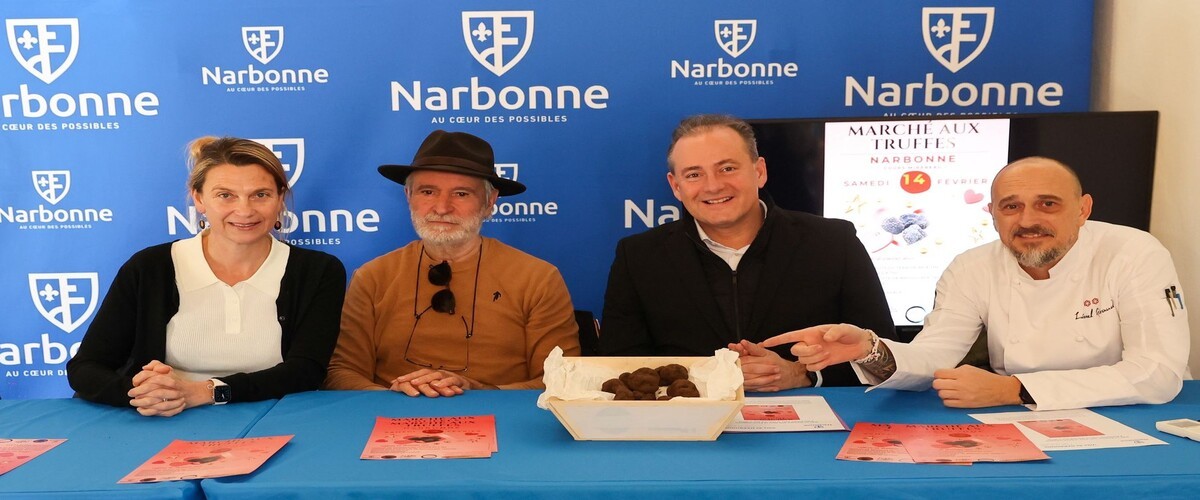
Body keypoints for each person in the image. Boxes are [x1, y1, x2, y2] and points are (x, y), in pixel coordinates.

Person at [765, 156, 1191, 410]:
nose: (1028, 220)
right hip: (1024, 420)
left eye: (1048, 204)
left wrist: (1014, 389)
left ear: (1082, 209)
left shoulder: (1135, 253)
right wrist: (871, 349)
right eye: (1011, 206)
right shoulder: (971, 266)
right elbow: (936, 357)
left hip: (1130, 415)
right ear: (992, 212)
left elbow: (1157, 373)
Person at [599, 114, 897, 390]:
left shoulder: (834, 241)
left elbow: (884, 354)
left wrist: (803, 374)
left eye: (727, 168)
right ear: (676, 187)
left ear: (759, 171)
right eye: (694, 175)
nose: (713, 186)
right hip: (689, 428)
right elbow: (621, 366)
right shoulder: (638, 256)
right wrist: (710, 378)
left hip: (813, 433)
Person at [67, 137, 347, 417]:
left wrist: (206, 392)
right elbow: (85, 367)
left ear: (280, 199)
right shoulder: (149, 267)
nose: (245, 210)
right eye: (226, 195)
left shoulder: (319, 270)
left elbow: (306, 372)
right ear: (199, 199)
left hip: (278, 419)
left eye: (260, 194)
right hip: (165, 419)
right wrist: (141, 393)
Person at [323, 130, 579, 397]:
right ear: (408, 195)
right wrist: (391, 396)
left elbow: (561, 378)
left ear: (490, 202)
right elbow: (342, 371)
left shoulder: (537, 278)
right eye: (428, 191)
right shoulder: (372, 276)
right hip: (391, 421)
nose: (442, 207)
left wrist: (481, 391)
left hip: (504, 422)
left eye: (461, 194)